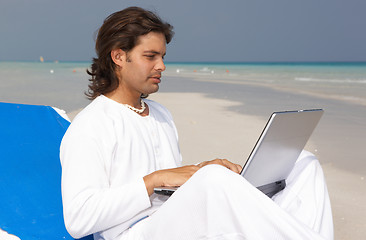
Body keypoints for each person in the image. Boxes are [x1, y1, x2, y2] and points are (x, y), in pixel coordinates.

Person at [60, 6, 333, 240]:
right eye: (150, 56)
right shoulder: (91, 124)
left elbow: (173, 188)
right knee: (214, 179)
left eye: (163, 56)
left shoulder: (161, 115)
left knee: (303, 164)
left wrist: (199, 171)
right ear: (119, 57)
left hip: (178, 220)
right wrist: (155, 180)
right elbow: (78, 218)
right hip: (134, 232)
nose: (162, 66)